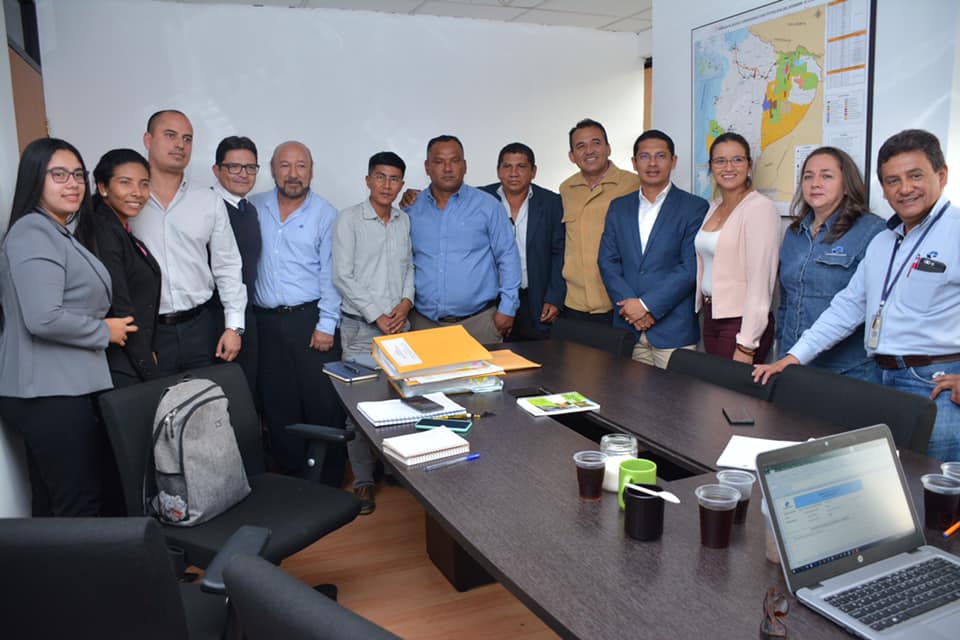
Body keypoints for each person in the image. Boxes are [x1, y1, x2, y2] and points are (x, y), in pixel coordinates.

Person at [755, 129, 960, 461]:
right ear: (884, 189)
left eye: (915, 176)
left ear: (942, 175)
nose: (904, 188)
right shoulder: (884, 241)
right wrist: (794, 357)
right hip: (880, 381)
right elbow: (847, 308)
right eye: (893, 181)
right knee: (889, 481)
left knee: (936, 484)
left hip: (933, 383)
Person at [0, 138, 138, 516]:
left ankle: (51, 560)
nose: (73, 183)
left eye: (78, 175)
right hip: (48, 392)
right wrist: (103, 331)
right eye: (59, 175)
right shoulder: (33, 232)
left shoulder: (56, 230)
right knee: (78, 504)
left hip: (59, 388)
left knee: (55, 502)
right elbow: (43, 316)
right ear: (35, 179)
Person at [250, 141, 345, 484]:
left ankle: (329, 481)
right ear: (272, 170)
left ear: (311, 171)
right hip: (265, 322)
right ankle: (291, 480)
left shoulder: (325, 213)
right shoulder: (254, 207)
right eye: (285, 165)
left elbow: (331, 272)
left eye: (301, 166)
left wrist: (327, 325)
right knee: (278, 403)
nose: (293, 174)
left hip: (311, 320)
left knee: (322, 402)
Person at [129, 109, 246, 375]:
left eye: (187, 138)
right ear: (148, 140)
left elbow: (227, 265)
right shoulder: (128, 199)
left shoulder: (208, 200)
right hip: (147, 330)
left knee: (205, 398)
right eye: (170, 135)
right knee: (153, 400)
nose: (180, 145)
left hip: (200, 328)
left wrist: (234, 327)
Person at [332, 151, 413, 514]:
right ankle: (363, 480)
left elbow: (409, 267)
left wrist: (406, 304)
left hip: (399, 326)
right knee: (360, 407)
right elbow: (342, 276)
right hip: (362, 328)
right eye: (380, 177)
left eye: (394, 179)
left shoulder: (403, 220)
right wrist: (376, 314)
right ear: (368, 180)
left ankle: (393, 468)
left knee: (399, 402)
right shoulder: (348, 219)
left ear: (401, 184)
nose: (386, 185)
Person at [598, 130, 709, 368]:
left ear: (673, 161)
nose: (652, 163)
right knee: (627, 392)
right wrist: (631, 307)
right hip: (628, 328)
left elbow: (690, 267)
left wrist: (646, 307)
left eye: (660, 156)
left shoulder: (694, 207)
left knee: (675, 392)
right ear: (634, 162)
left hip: (673, 330)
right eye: (644, 156)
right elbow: (607, 261)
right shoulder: (618, 207)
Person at [777, 147, 886, 382]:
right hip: (793, 361)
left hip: (846, 369)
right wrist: (782, 352)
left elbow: (865, 305)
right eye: (808, 176)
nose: (815, 184)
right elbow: (786, 301)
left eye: (826, 176)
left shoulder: (872, 231)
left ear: (846, 185)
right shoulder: (794, 233)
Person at [406, 135, 520, 344]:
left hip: (478, 324)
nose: (447, 168)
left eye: (455, 161)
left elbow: (508, 257)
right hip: (423, 324)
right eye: (439, 161)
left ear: (465, 166)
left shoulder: (488, 206)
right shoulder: (411, 209)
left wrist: (508, 308)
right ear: (427, 167)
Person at [695, 132, 780, 363]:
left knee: (728, 386)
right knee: (712, 384)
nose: (728, 167)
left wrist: (747, 344)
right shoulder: (713, 207)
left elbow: (761, 281)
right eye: (720, 161)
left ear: (749, 166)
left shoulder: (760, 208)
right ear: (711, 167)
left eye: (737, 160)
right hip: (711, 316)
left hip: (741, 322)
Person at [91, 148, 162, 387]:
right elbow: (120, 306)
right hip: (120, 362)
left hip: (132, 356)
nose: (137, 192)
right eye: (125, 183)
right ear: (103, 187)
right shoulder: (104, 232)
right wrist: (148, 368)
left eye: (144, 184)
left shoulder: (120, 228)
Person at [479, 142, 564, 339]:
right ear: (498, 171)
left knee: (537, 355)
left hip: (535, 299)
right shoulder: (480, 199)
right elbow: (444, 195)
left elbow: (560, 253)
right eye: (507, 166)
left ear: (533, 171)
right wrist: (412, 195)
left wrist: (555, 297)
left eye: (521, 167)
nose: (513, 173)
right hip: (490, 302)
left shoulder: (551, 202)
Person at [559, 119, 640, 324]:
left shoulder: (633, 184)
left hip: (618, 300)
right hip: (575, 302)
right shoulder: (566, 189)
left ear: (608, 148)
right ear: (571, 156)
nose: (589, 151)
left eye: (596, 143)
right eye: (580, 146)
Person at [211, 136, 263, 396]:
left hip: (246, 318)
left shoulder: (249, 210)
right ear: (216, 170)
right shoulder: (209, 207)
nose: (243, 174)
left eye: (250, 167)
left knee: (247, 397)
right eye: (234, 167)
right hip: (217, 322)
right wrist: (230, 327)